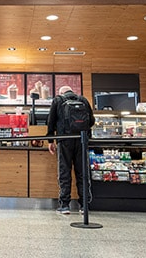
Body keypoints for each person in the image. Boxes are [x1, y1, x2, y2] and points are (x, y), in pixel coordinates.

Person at [46, 85, 94, 214]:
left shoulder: (58, 100)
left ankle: (64, 205)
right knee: (82, 172)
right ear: (72, 91)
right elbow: (92, 121)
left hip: (64, 140)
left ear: (61, 92)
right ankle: (84, 206)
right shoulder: (83, 100)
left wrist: (50, 141)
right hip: (81, 140)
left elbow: (51, 121)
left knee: (64, 172)